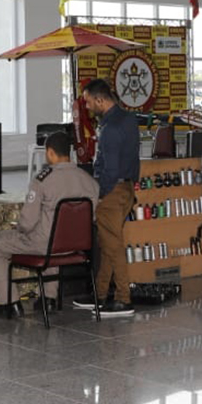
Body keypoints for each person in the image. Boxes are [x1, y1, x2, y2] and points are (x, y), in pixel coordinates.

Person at [0, 131, 98, 319]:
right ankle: (49, 299)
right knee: (53, 238)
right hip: (76, 246)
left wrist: (18, 227)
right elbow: (91, 218)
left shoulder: (42, 180)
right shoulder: (90, 181)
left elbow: (27, 223)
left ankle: (10, 303)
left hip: (45, 244)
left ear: (50, 153)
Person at [72, 79, 139, 317]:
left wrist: (100, 195)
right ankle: (100, 294)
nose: (87, 107)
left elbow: (109, 169)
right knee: (108, 244)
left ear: (100, 100)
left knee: (113, 246)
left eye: (89, 102)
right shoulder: (129, 119)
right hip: (127, 188)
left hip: (112, 191)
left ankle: (123, 299)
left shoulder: (110, 129)